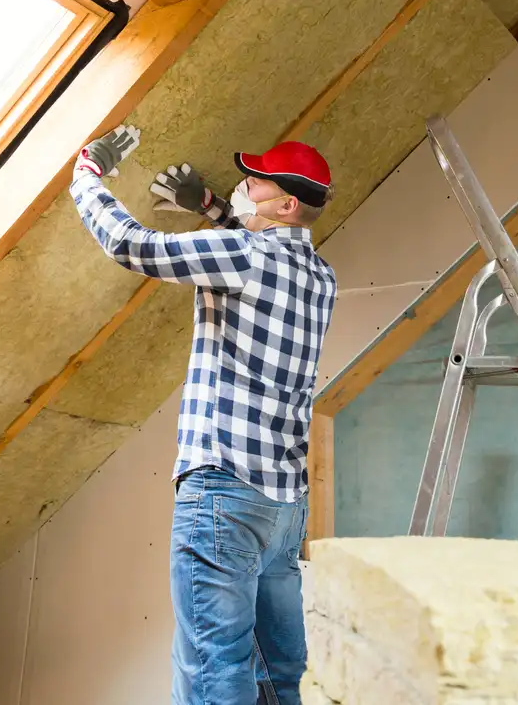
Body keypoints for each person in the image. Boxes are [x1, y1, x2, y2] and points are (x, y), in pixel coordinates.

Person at [68, 125, 338, 705]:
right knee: (278, 674)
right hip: (282, 508)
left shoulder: (242, 254)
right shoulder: (322, 279)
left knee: (216, 670)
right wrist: (213, 207)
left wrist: (87, 174)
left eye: (255, 181)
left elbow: (132, 245)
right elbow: (260, 257)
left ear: (286, 203)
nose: (244, 184)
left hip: (222, 494)